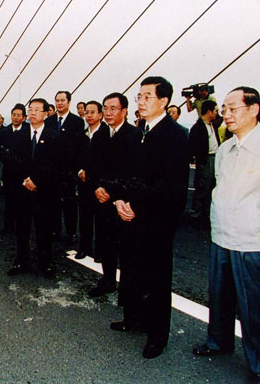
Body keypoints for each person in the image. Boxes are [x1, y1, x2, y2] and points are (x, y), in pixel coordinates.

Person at [192, 87, 260, 384]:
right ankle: (218, 341)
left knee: (257, 305)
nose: (226, 114)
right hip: (222, 236)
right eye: (224, 108)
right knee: (220, 297)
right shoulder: (225, 149)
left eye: (233, 108)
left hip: (255, 241)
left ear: (254, 109)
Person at [111, 76, 189, 359]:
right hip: (130, 216)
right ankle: (132, 318)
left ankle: (157, 336)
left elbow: (172, 187)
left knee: (157, 280)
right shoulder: (138, 133)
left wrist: (137, 206)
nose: (141, 101)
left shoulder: (176, 135)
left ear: (164, 101)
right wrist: (120, 199)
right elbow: (125, 173)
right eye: (139, 96)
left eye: (147, 97)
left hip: (156, 222)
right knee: (131, 270)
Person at [88, 92, 137, 298]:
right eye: (105, 108)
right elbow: (92, 166)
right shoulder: (100, 134)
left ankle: (127, 290)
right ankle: (107, 280)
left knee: (126, 248)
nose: (108, 113)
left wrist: (115, 194)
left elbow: (133, 172)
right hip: (102, 199)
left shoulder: (134, 135)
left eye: (113, 109)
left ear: (124, 111)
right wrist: (96, 187)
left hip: (123, 202)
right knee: (105, 243)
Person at [7, 98, 60, 278]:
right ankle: (21, 261)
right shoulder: (19, 134)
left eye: (37, 110)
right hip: (22, 189)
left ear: (46, 114)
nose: (33, 113)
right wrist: (25, 180)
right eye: (31, 109)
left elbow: (55, 164)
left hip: (43, 190)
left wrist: (36, 181)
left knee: (43, 229)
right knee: (22, 228)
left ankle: (46, 264)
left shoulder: (53, 136)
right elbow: (13, 160)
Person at [45, 90, 85, 243]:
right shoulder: (49, 121)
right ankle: (55, 229)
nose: (59, 103)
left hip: (68, 169)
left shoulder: (77, 121)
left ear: (69, 102)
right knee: (53, 201)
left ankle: (71, 231)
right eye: (57, 100)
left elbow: (78, 146)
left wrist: (75, 168)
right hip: (51, 169)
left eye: (63, 100)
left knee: (69, 202)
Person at [74, 101, 107, 260]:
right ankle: (84, 248)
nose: (89, 115)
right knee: (84, 217)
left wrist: (93, 175)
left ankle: (101, 251)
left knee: (101, 219)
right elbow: (75, 157)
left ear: (100, 114)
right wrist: (80, 170)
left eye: (92, 112)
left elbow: (107, 161)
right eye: (87, 112)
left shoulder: (107, 134)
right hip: (84, 182)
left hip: (100, 184)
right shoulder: (81, 135)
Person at [188, 99, 220, 223]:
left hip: (214, 158)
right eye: (215, 111)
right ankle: (195, 213)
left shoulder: (212, 125)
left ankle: (205, 213)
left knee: (211, 186)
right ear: (209, 111)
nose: (217, 113)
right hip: (205, 159)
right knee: (203, 187)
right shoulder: (198, 127)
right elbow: (192, 145)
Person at [0, 103, 28, 233]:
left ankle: (21, 226)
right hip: (8, 171)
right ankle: (8, 226)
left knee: (22, 200)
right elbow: (1, 152)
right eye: (14, 115)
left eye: (19, 115)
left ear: (24, 118)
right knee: (9, 199)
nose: (16, 117)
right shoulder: (4, 132)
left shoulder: (28, 131)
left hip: (22, 172)